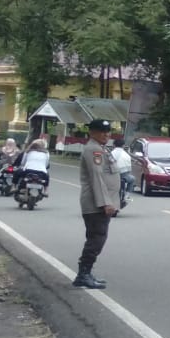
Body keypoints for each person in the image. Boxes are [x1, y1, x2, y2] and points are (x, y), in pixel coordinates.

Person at [75, 120, 120, 289]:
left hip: (99, 203)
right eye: (102, 131)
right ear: (92, 132)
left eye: (108, 131)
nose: (106, 134)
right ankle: (83, 274)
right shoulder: (93, 149)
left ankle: (85, 273)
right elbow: (97, 178)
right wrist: (106, 203)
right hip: (96, 204)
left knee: (97, 237)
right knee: (96, 238)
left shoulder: (100, 148)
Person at [110, 138, 134, 208]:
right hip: (124, 176)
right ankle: (126, 196)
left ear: (114, 145)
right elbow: (129, 170)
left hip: (113, 176)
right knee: (132, 179)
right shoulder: (127, 155)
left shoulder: (111, 153)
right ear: (123, 145)